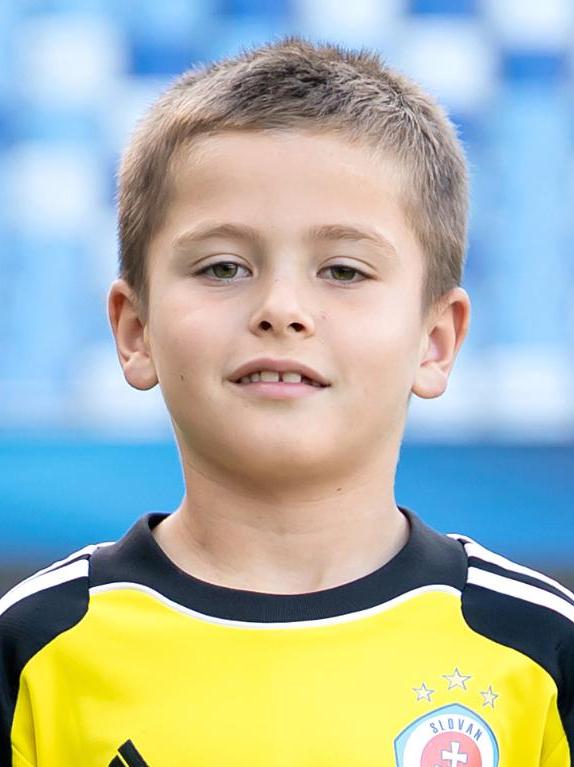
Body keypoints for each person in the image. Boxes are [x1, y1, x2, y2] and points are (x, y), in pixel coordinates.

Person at [1, 35, 572, 767]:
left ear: (435, 341)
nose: (281, 309)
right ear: (136, 331)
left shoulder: (537, 647)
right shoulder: (35, 647)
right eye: (223, 267)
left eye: (343, 270)